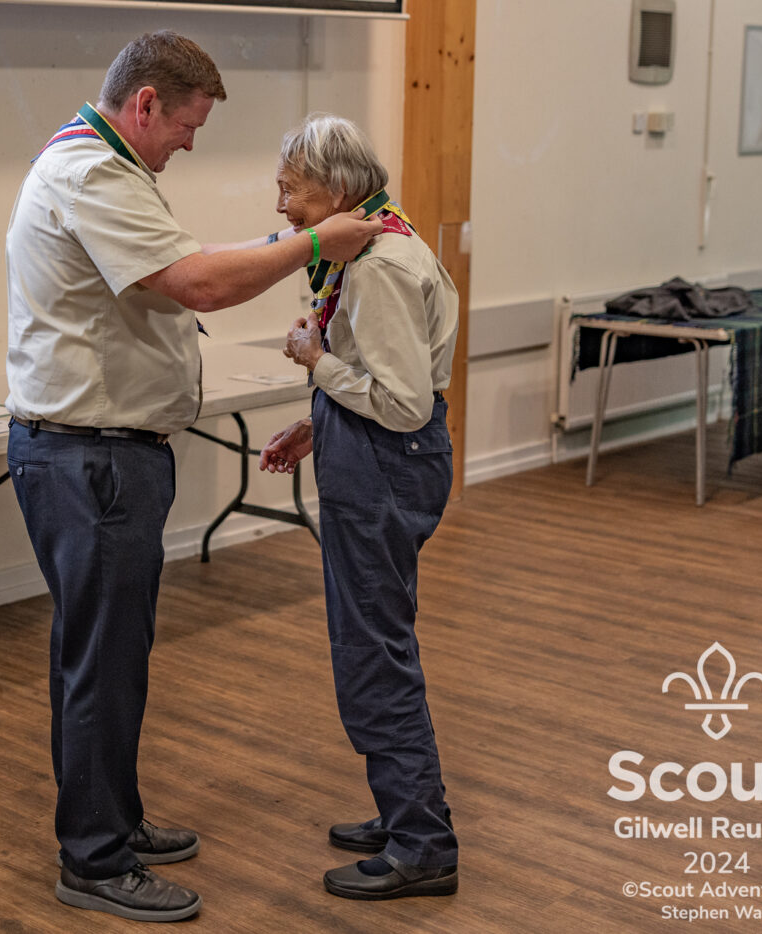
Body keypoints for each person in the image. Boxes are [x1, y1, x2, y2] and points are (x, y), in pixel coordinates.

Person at [4, 34, 382, 923]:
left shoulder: (106, 168)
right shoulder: (91, 177)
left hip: (106, 453)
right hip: (90, 456)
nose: (189, 143)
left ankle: (115, 821)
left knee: (113, 658)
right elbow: (200, 286)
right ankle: (93, 860)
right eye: (185, 124)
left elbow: (184, 275)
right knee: (101, 664)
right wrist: (315, 240)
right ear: (143, 106)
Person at [257, 113, 460, 900]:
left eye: (290, 191)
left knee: (373, 653)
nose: (281, 208)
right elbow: (390, 379)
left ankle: (422, 843)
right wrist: (319, 423)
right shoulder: (385, 238)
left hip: (385, 465)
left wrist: (316, 364)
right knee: (377, 642)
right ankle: (405, 809)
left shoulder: (376, 268)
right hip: (374, 454)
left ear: (338, 192)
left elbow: (403, 405)